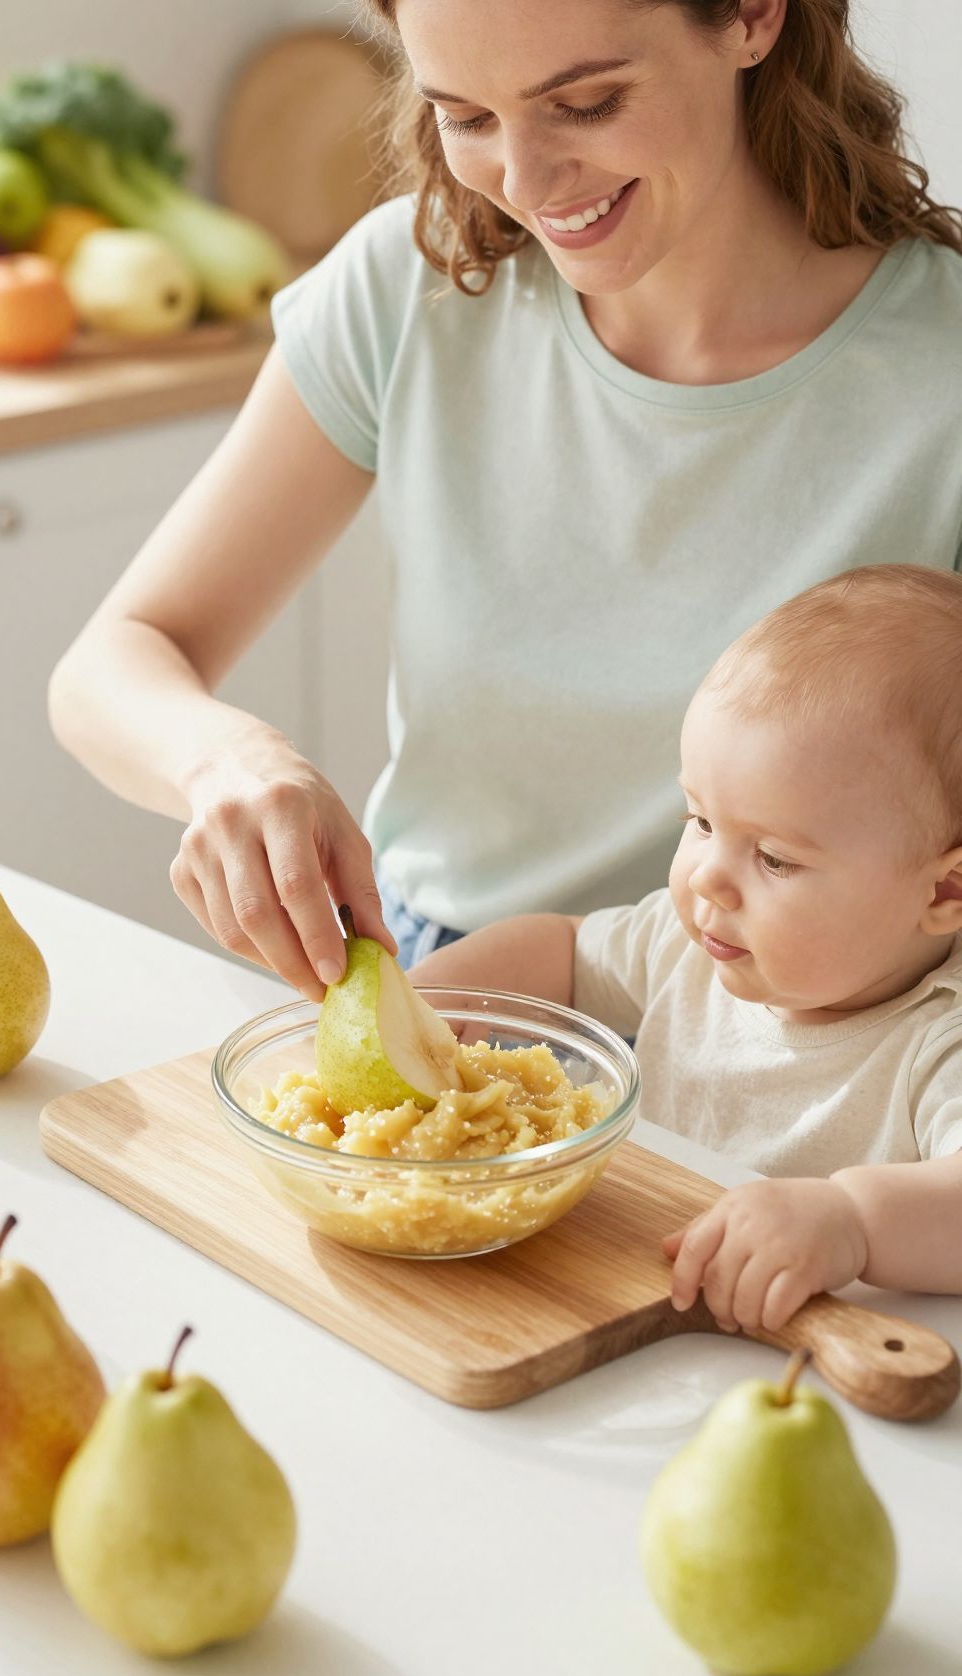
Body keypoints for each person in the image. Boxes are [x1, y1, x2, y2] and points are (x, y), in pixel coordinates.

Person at [48, 0, 962, 1006]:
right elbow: (115, 658)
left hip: (812, 1041)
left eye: (583, 100)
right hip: (452, 983)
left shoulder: (941, 364)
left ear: (753, 11)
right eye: (464, 115)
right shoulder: (411, 289)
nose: (528, 181)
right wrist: (227, 761)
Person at [408, 565, 962, 1332]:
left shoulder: (940, 1040)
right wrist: (435, 996)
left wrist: (852, 1223)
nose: (707, 878)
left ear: (944, 893)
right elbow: (568, 951)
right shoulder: (697, 944)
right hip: (633, 1307)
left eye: (773, 858)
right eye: (700, 821)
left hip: (802, 1355)